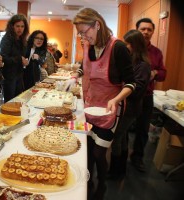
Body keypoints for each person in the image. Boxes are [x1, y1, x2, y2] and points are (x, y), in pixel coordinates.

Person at [73, 8, 135, 200]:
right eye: (80, 33)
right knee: (89, 149)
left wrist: (116, 99)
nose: (83, 37)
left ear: (97, 25)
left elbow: (132, 83)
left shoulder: (118, 48)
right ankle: (89, 182)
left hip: (109, 109)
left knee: (100, 153)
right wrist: (75, 76)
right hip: (90, 105)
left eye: (85, 31)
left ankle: (102, 185)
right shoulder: (89, 46)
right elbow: (87, 69)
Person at [108, 30, 151, 180]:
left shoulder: (143, 66)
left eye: (127, 44)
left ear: (134, 45)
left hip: (131, 109)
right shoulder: (131, 61)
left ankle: (115, 171)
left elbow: (137, 89)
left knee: (117, 137)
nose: (125, 47)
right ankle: (121, 169)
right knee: (123, 137)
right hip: (125, 107)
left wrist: (123, 88)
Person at [130, 18, 167, 172]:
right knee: (123, 129)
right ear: (137, 30)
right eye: (143, 29)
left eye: (149, 30)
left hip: (146, 96)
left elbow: (164, 73)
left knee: (143, 129)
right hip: (129, 96)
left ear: (152, 32)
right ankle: (119, 157)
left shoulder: (156, 52)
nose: (146, 32)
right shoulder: (128, 48)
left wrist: (154, 73)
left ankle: (137, 158)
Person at [0, 14, 29, 102]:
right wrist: (20, 59)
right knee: (9, 102)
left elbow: (22, 56)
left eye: (22, 26)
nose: (20, 29)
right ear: (12, 26)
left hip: (18, 74)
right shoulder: (7, 39)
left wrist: (24, 61)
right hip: (8, 76)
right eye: (17, 26)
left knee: (17, 101)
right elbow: (3, 57)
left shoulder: (21, 39)